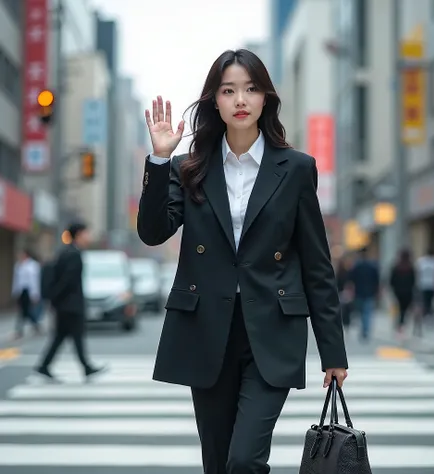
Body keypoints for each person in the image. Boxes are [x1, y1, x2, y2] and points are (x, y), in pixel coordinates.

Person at [137, 49, 348, 474]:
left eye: (251, 89)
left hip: (271, 331)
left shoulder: (296, 169)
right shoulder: (188, 168)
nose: (240, 100)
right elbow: (153, 231)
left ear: (266, 98)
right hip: (206, 330)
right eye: (229, 90)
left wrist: (333, 352)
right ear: (214, 100)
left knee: (244, 460)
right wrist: (160, 159)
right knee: (217, 463)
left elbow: (316, 265)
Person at [34, 222, 105, 381]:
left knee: (61, 337)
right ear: (79, 234)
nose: (89, 237)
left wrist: (55, 299)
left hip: (65, 304)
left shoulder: (66, 252)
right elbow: (67, 281)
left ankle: (45, 365)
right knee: (75, 336)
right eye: (87, 233)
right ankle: (85, 367)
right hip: (70, 305)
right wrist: (57, 298)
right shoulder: (73, 254)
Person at [347, 247, 380, 341]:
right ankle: (365, 330)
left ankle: (363, 330)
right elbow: (376, 280)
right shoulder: (372, 266)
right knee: (367, 312)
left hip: (359, 292)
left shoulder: (356, 266)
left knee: (361, 312)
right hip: (369, 292)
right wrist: (377, 291)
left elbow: (350, 279)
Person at [11, 249, 42, 339]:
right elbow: (16, 280)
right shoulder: (18, 265)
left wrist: (35, 294)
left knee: (25, 311)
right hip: (21, 291)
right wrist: (15, 292)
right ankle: (35, 326)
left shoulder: (33, 266)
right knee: (24, 311)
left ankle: (20, 330)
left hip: (29, 291)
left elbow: (34, 281)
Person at [389, 248, 416, 338]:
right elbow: (414, 281)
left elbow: (391, 281)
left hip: (398, 292)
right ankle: (402, 326)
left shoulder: (396, 267)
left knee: (400, 310)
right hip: (408, 292)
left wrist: (393, 289)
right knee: (404, 310)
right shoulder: (410, 267)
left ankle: (399, 326)